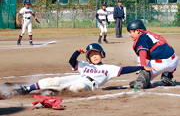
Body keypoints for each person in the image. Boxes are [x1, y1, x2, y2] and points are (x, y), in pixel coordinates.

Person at [11, 43, 153, 95]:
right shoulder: (84, 66)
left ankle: (52, 94)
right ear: (88, 58)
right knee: (52, 80)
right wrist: (77, 51)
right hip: (78, 77)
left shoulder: (109, 68)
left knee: (78, 87)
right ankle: (26, 89)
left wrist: (141, 67)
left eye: (97, 54)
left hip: (90, 84)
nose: (95, 56)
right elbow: (71, 61)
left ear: (102, 55)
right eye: (92, 55)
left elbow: (126, 69)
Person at [127, 19, 178, 89]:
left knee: (143, 74)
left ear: (138, 31)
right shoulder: (152, 34)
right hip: (174, 61)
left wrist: (143, 67)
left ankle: (141, 81)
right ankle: (166, 75)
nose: (130, 35)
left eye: (131, 32)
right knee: (171, 58)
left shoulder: (141, 37)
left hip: (159, 64)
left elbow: (142, 52)